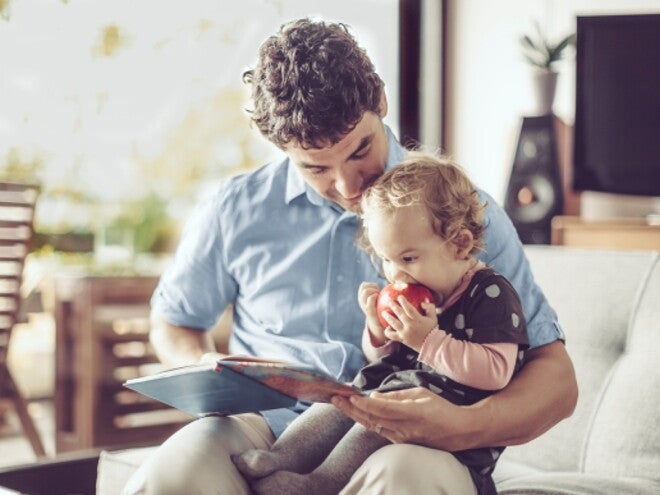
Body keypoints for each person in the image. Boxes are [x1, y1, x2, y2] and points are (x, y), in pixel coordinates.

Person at [122, 18, 577, 495]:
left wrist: (462, 425)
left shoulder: (460, 218)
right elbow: (173, 324)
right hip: (267, 429)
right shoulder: (234, 209)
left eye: (361, 150)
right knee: (175, 472)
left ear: (380, 100)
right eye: (316, 168)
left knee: (407, 478)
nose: (349, 187)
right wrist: (213, 373)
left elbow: (557, 380)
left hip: (413, 439)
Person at [231, 153, 529, 495]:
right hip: (396, 390)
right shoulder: (425, 289)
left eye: (408, 258)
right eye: (386, 259)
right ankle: (278, 457)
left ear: (459, 244)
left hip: (450, 429)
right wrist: (377, 331)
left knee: (375, 417)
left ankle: (320, 484)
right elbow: (381, 359)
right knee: (341, 400)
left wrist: (428, 341)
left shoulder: (490, 293)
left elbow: (495, 372)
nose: (395, 274)